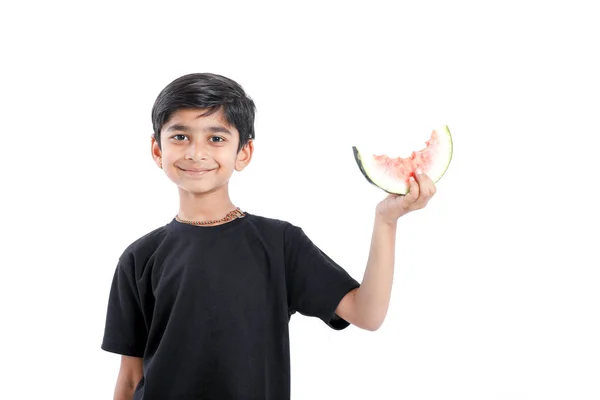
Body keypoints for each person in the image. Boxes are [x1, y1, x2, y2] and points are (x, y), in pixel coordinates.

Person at [101, 72, 437, 400]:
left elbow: (368, 314)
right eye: (180, 137)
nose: (196, 152)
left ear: (243, 152)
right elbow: (130, 378)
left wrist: (387, 220)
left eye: (216, 138)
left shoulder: (279, 244)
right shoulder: (139, 258)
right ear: (157, 150)